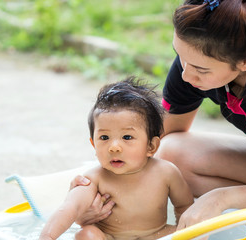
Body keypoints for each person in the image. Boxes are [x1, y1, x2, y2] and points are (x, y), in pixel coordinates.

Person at [71, 0, 246, 232]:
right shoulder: (192, 64)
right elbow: (158, 140)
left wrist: (221, 198)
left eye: (201, 69)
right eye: (180, 56)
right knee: (171, 152)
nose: (186, 75)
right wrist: (97, 190)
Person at [39, 77, 193, 240]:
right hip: (110, 236)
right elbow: (70, 209)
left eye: (127, 137)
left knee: (182, 232)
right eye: (104, 138)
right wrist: (47, 237)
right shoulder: (93, 179)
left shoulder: (166, 172)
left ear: (151, 146)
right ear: (93, 144)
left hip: (156, 234)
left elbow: (185, 206)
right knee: (87, 234)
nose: (114, 147)